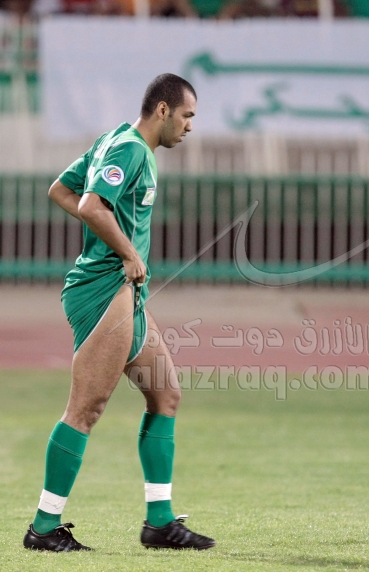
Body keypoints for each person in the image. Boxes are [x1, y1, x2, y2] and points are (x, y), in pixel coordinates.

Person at [23, 73, 216, 552]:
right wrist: (126, 252)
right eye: (187, 115)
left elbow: (60, 191)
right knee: (86, 408)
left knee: (165, 395)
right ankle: (43, 528)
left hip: (126, 293)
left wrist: (112, 238)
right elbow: (91, 205)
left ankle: (159, 523)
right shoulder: (129, 150)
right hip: (104, 289)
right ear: (163, 110)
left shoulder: (116, 140)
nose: (190, 126)